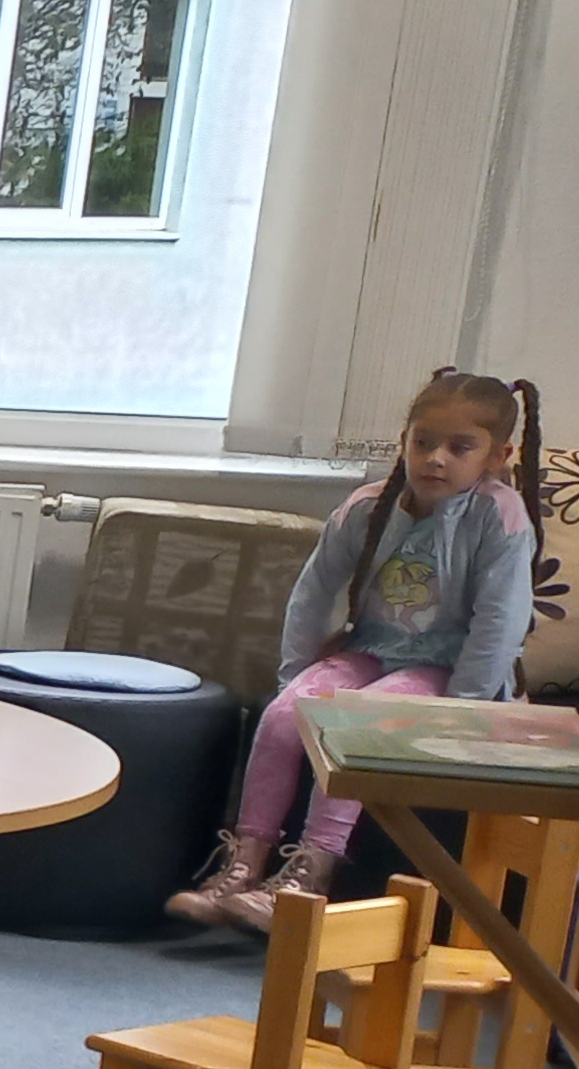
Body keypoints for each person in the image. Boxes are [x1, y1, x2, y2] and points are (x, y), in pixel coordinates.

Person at [168, 368, 543, 930]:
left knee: (357, 724)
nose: (436, 459)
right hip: (370, 648)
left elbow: (501, 619)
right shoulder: (370, 505)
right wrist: (297, 674)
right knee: (283, 715)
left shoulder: (500, 516)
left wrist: (462, 708)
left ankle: (311, 872)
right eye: (423, 442)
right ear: (404, 440)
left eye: (459, 447)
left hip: (444, 667)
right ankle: (245, 864)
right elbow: (314, 591)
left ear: (497, 455)